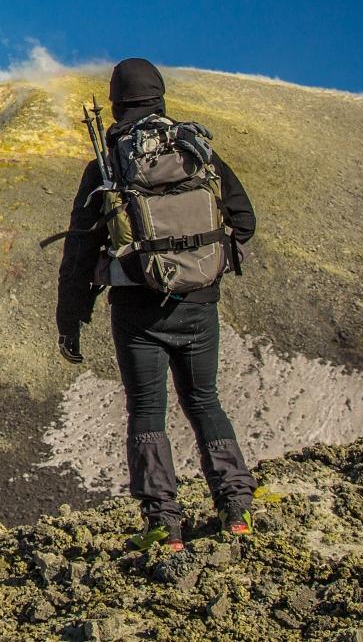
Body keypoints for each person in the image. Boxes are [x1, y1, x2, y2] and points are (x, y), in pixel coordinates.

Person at [54, 58, 259, 552]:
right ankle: (235, 508)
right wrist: (206, 259)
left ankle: (163, 522)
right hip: (200, 303)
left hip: (136, 310)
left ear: (116, 102)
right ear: (161, 97)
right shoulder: (199, 154)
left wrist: (71, 318)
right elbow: (245, 221)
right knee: (204, 400)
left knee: (147, 409)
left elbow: (79, 251)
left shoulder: (107, 168)